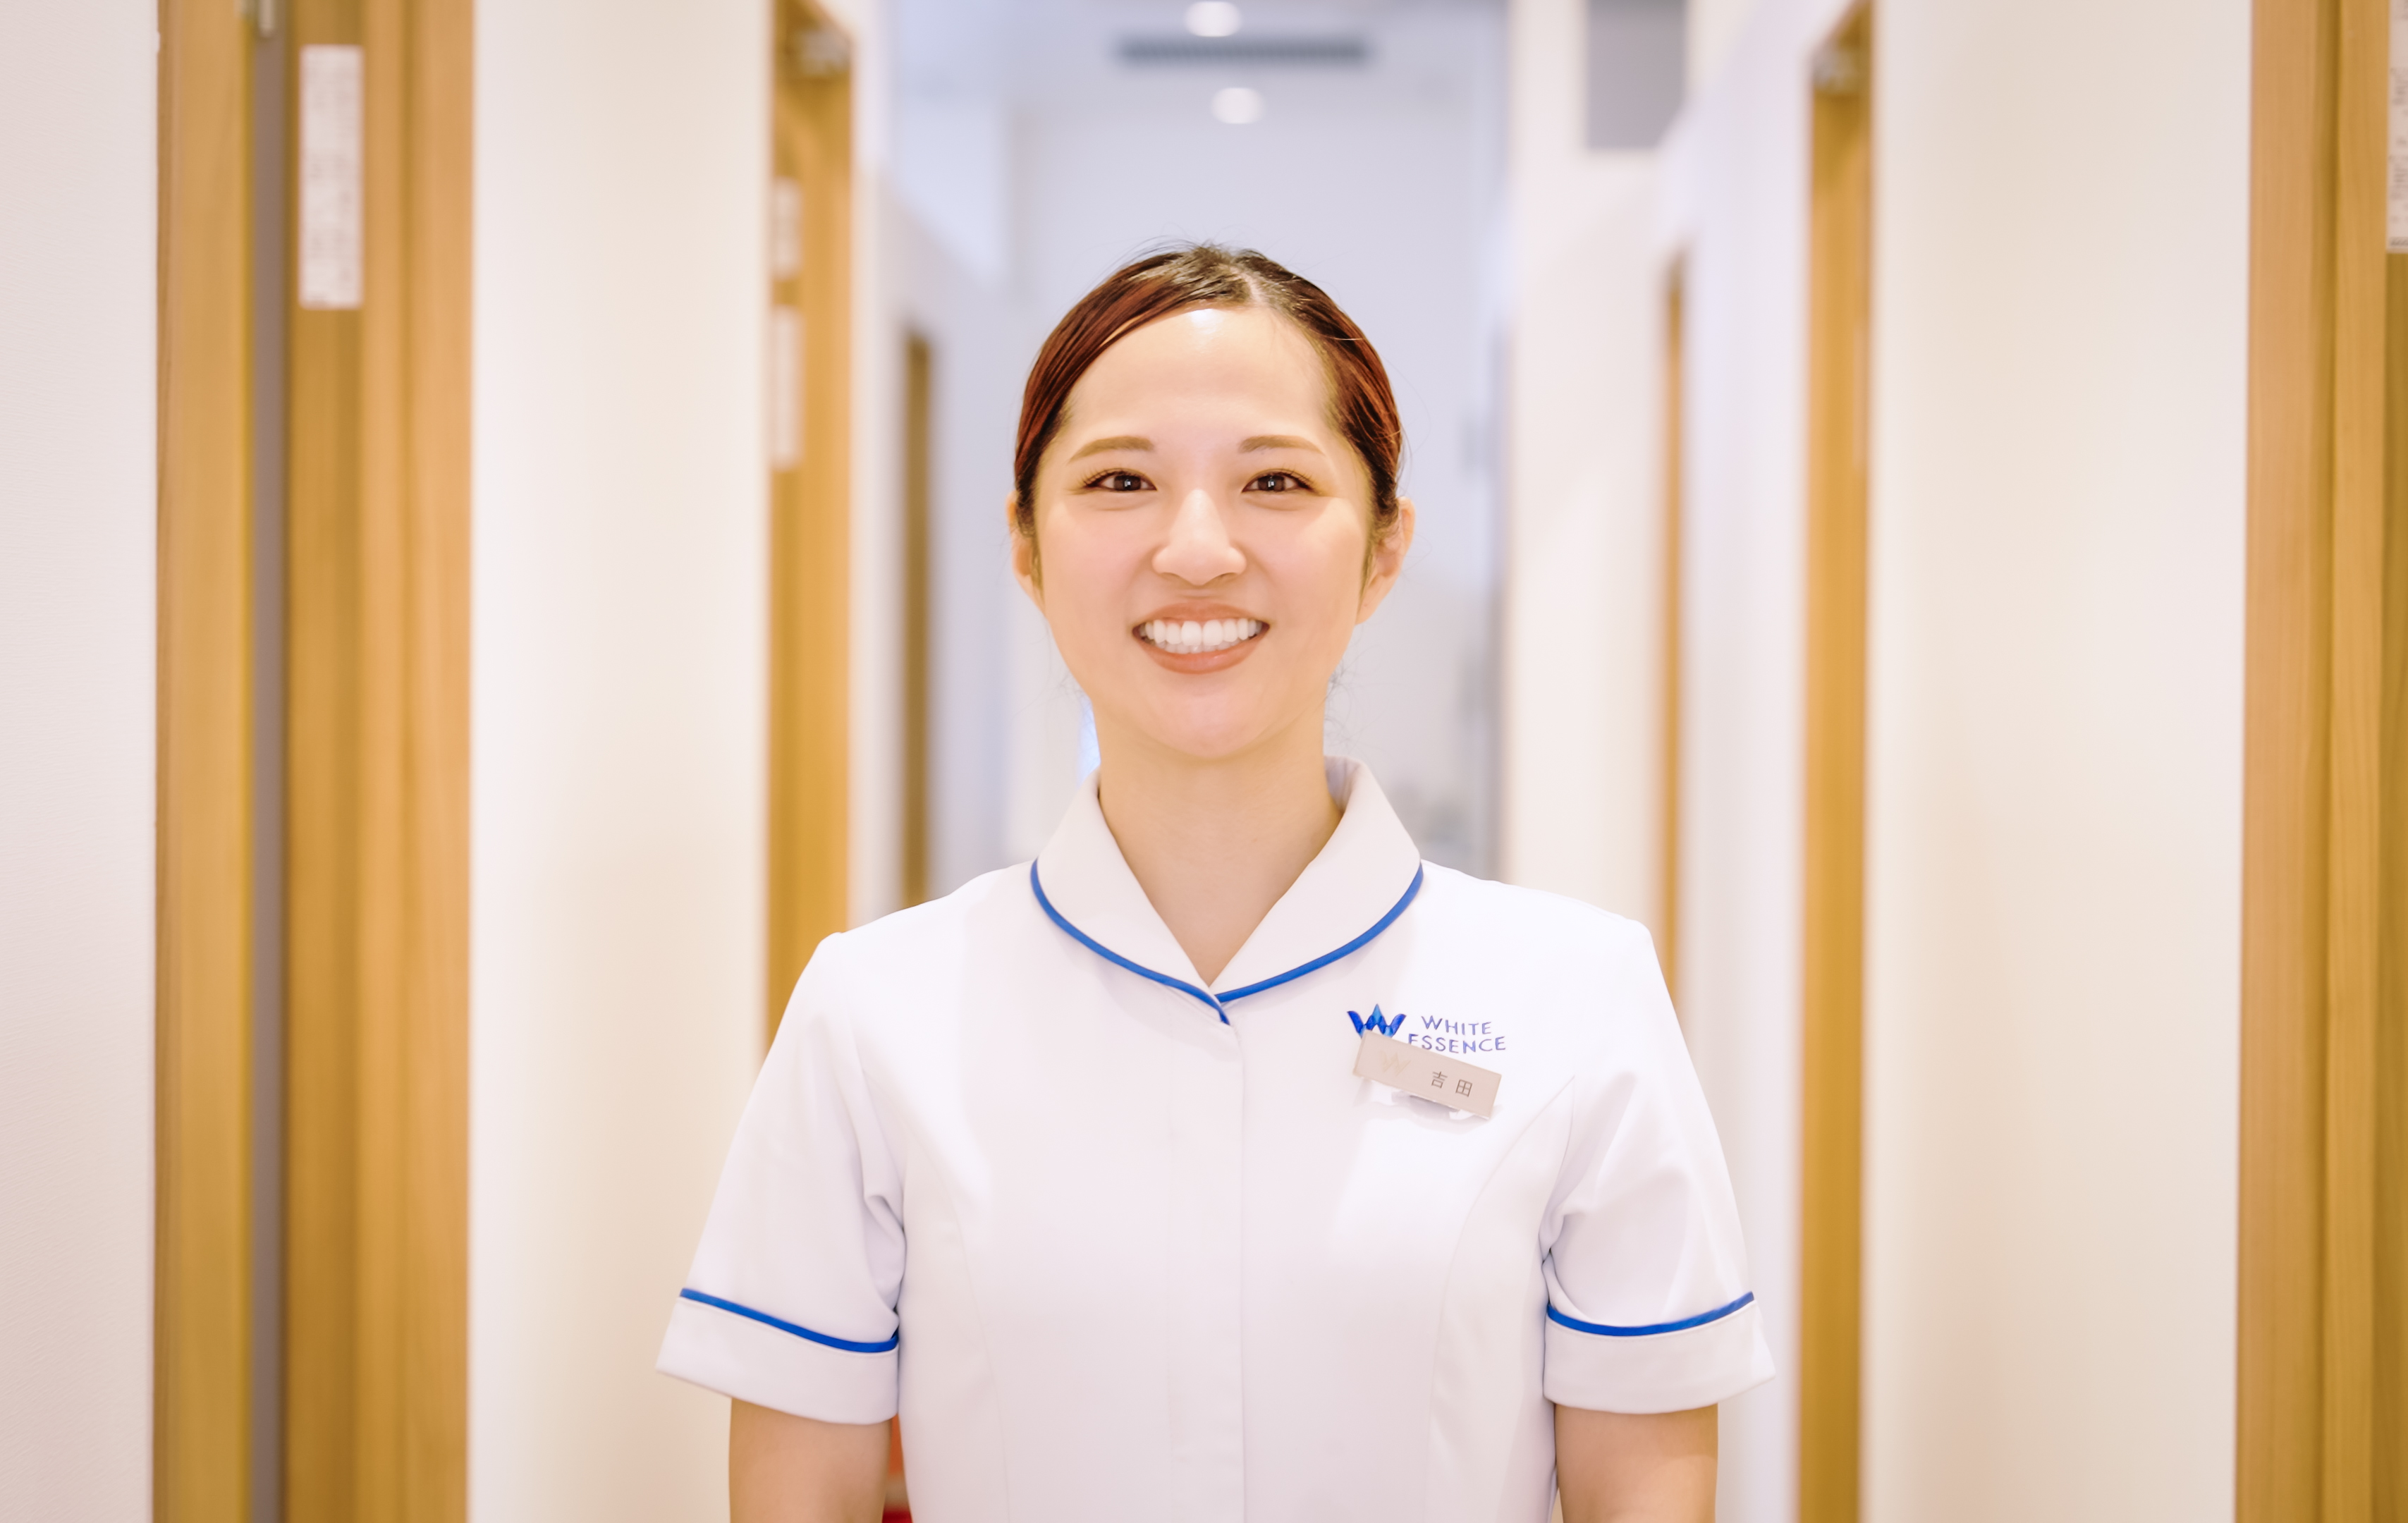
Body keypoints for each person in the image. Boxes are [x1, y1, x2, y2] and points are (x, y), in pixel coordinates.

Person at [658, 245, 1771, 1522]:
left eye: (1276, 481)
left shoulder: (1580, 996)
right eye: (1120, 480)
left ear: (1385, 549)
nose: (1198, 550)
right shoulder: (873, 1013)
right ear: (1024, 543)